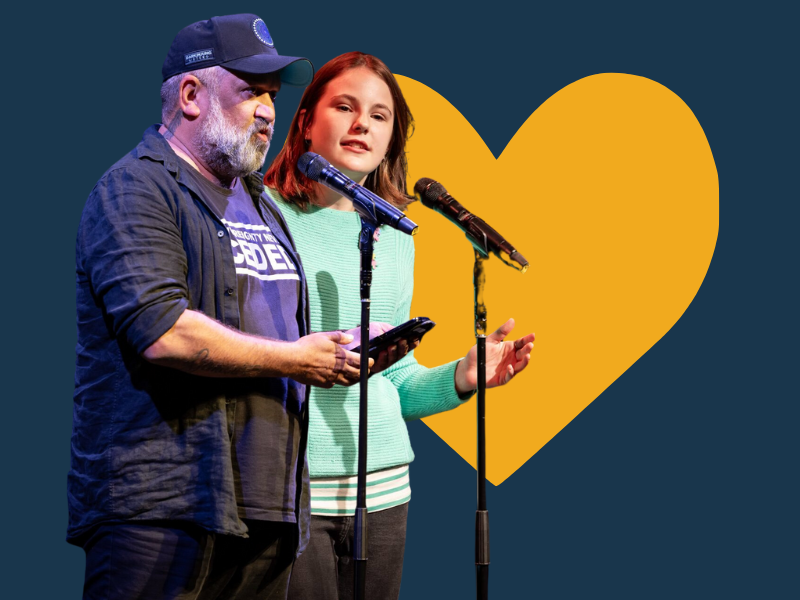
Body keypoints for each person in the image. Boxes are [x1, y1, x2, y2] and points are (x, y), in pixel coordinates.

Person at [69, 15, 370, 600]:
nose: (266, 111)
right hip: (164, 509)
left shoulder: (262, 205)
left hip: (266, 507)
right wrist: (294, 359)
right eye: (250, 91)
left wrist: (338, 352)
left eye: (272, 96)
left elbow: (274, 330)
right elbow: (164, 332)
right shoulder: (136, 188)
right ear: (189, 95)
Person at [264, 52, 535, 600]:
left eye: (380, 115)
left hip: (385, 492)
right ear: (306, 121)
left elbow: (394, 381)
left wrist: (462, 377)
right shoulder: (261, 213)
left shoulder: (397, 236)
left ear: (392, 138)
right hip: (293, 489)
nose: (362, 124)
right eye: (345, 106)